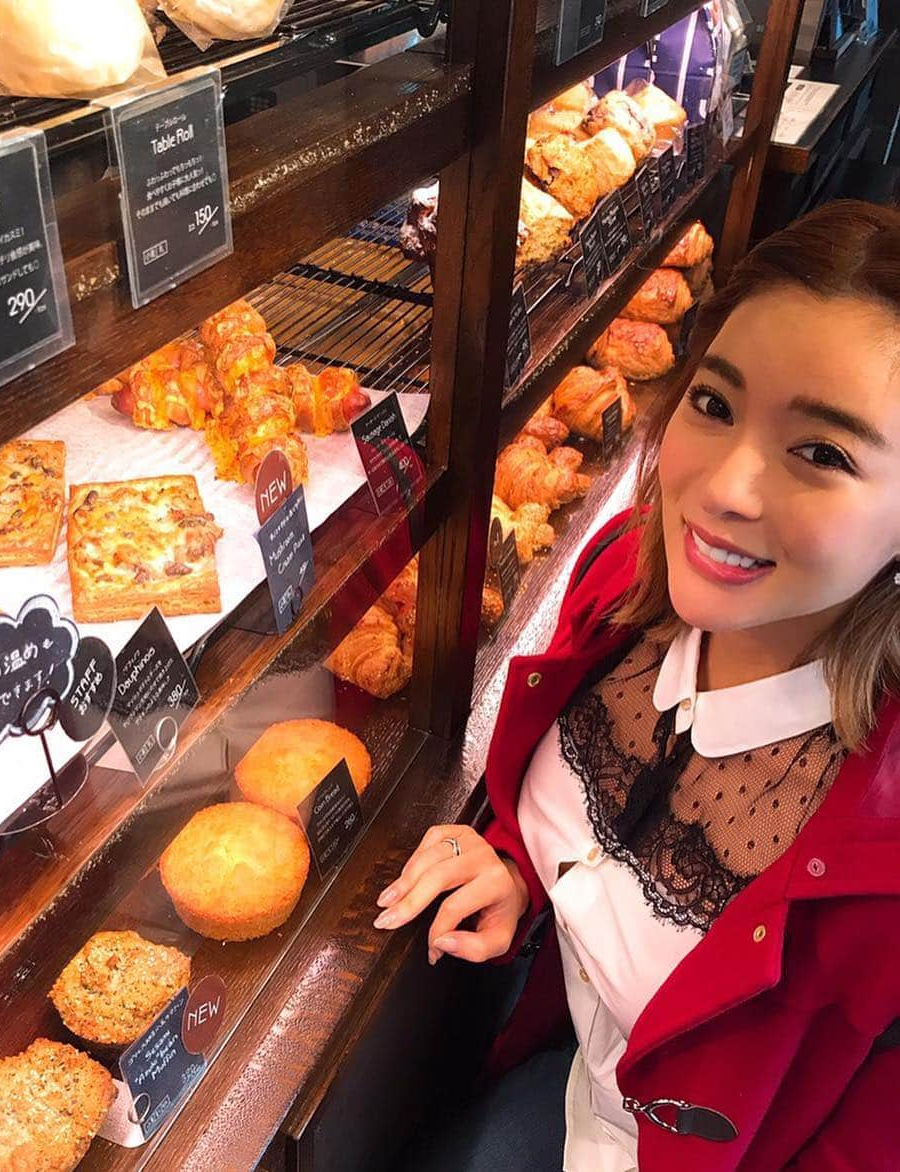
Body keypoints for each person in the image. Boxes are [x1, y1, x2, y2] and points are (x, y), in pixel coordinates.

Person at [374, 199, 900, 1171]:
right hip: (568, 1082)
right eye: (715, 401)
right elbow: (588, 823)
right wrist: (518, 864)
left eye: (822, 451)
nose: (726, 487)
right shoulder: (623, 579)